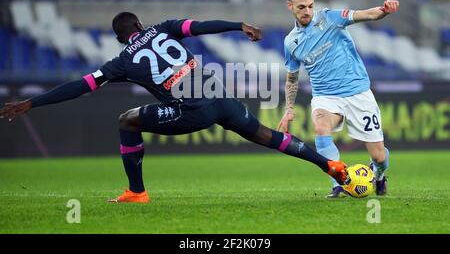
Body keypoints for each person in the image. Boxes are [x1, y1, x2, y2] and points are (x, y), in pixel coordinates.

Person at [0, 13, 347, 203]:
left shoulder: (121, 60)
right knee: (267, 135)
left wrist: (32, 102)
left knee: (126, 120)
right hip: (220, 96)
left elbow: (80, 86)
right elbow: (199, 27)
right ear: (138, 26)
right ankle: (330, 166)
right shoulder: (164, 28)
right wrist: (238, 26)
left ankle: (137, 192)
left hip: (192, 111)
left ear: (121, 37)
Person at [277, 0, 399, 198]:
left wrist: (384, 11)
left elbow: (367, 15)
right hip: (326, 97)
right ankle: (339, 183)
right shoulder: (290, 42)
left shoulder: (330, 17)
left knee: (379, 156)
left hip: (357, 93)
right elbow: (292, 79)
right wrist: (288, 109)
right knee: (321, 128)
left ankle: (378, 176)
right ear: (290, 6)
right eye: (301, 7)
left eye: (310, 6)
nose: (307, 11)